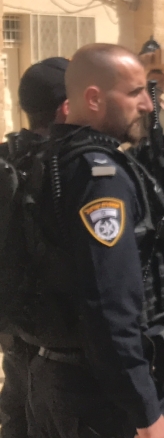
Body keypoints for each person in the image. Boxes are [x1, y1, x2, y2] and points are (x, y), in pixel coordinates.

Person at [20, 45, 164, 438]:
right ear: (93, 98)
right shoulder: (98, 177)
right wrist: (145, 412)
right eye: (135, 92)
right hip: (99, 396)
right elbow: (109, 304)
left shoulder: (51, 157)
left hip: (55, 376)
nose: (147, 105)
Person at [0, 57, 69, 438]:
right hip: (58, 336)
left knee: (16, 414)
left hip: (13, 323)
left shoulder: (5, 158)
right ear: (66, 106)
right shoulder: (69, 167)